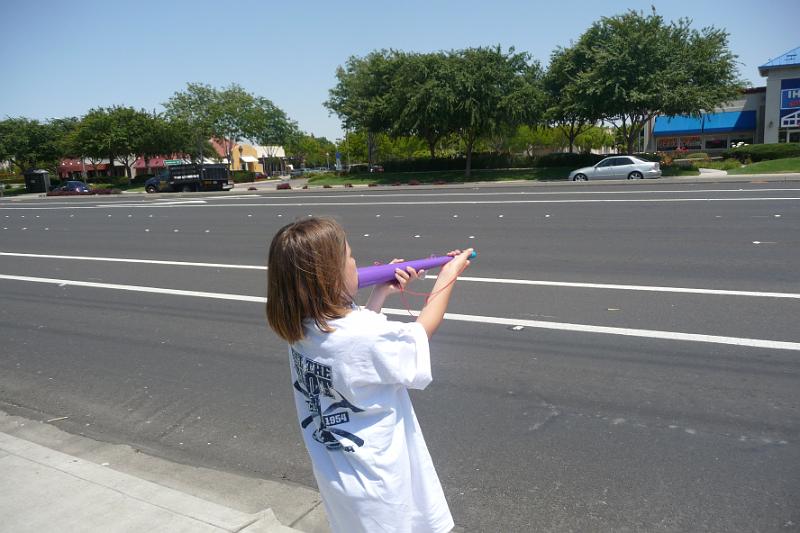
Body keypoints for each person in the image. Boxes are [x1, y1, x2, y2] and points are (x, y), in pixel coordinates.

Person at [266, 217, 472, 533]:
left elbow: (353, 357)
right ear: (330, 277)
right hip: (382, 489)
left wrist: (379, 294)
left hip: (341, 481)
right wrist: (448, 275)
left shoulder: (300, 328)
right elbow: (420, 333)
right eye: (351, 258)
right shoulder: (362, 334)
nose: (355, 264)